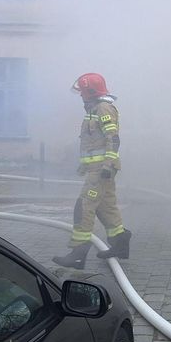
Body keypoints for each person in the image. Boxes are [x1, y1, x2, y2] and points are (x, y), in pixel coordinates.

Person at [53, 73, 132, 269]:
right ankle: (120, 243)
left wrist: (106, 165)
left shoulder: (103, 108)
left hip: (102, 170)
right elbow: (93, 142)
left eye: (82, 92)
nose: (80, 96)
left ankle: (78, 253)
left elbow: (113, 139)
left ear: (90, 92)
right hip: (97, 169)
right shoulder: (94, 109)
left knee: (84, 207)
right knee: (106, 207)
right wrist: (85, 165)